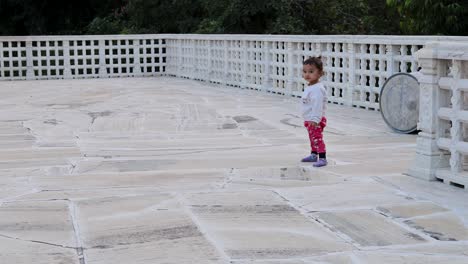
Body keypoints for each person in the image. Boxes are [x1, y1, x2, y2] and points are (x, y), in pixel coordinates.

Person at [300, 56, 328, 167]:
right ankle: (313, 154)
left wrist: (315, 119)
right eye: (305, 71)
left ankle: (322, 157)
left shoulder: (317, 89)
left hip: (315, 120)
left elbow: (318, 106)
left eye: (311, 72)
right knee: (312, 138)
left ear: (320, 73)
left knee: (317, 138)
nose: (307, 74)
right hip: (309, 119)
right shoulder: (311, 86)